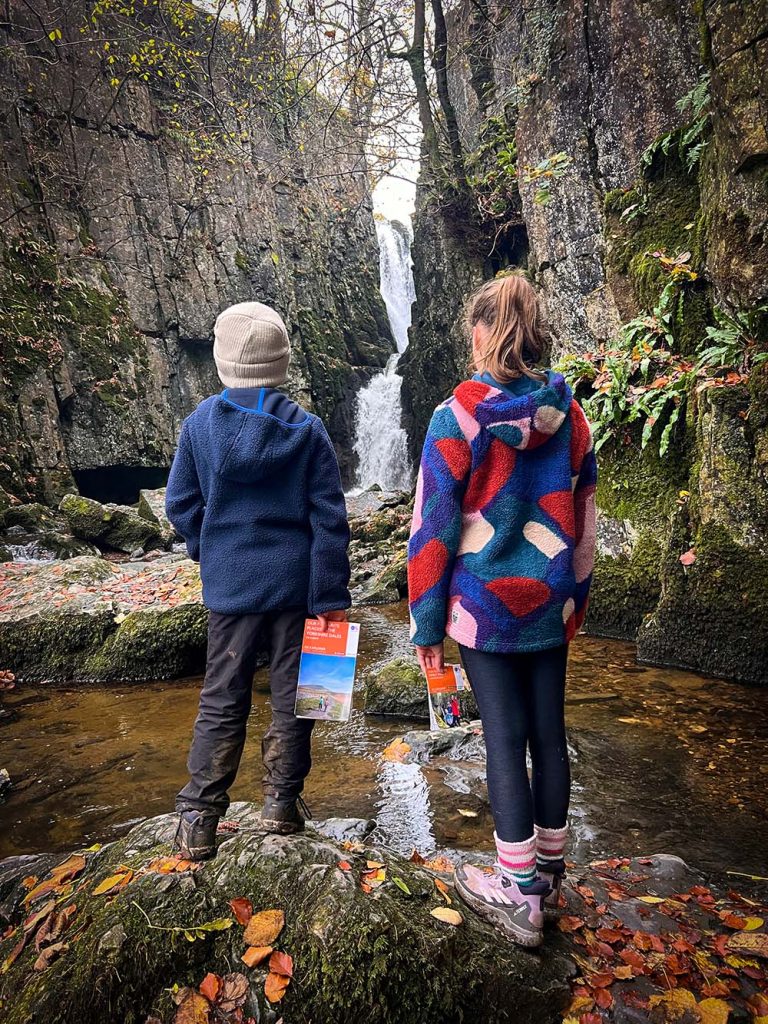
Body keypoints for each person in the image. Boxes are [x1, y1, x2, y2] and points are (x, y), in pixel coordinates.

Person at [407, 271, 597, 947]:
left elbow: (433, 527)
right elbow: (584, 517)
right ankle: (547, 871)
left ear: (484, 333)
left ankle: (517, 895)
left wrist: (426, 623)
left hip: (483, 608)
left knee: (502, 739)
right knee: (548, 735)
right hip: (549, 602)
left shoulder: (454, 416)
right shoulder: (570, 414)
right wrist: (573, 603)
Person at [166, 301, 350, 860]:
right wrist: (331, 597)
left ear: (223, 364)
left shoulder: (199, 425)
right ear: (283, 364)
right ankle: (280, 804)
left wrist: (212, 550)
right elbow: (329, 519)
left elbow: (180, 504)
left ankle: (200, 816)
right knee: (301, 698)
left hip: (231, 591)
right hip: (298, 592)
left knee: (222, 698)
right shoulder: (310, 430)